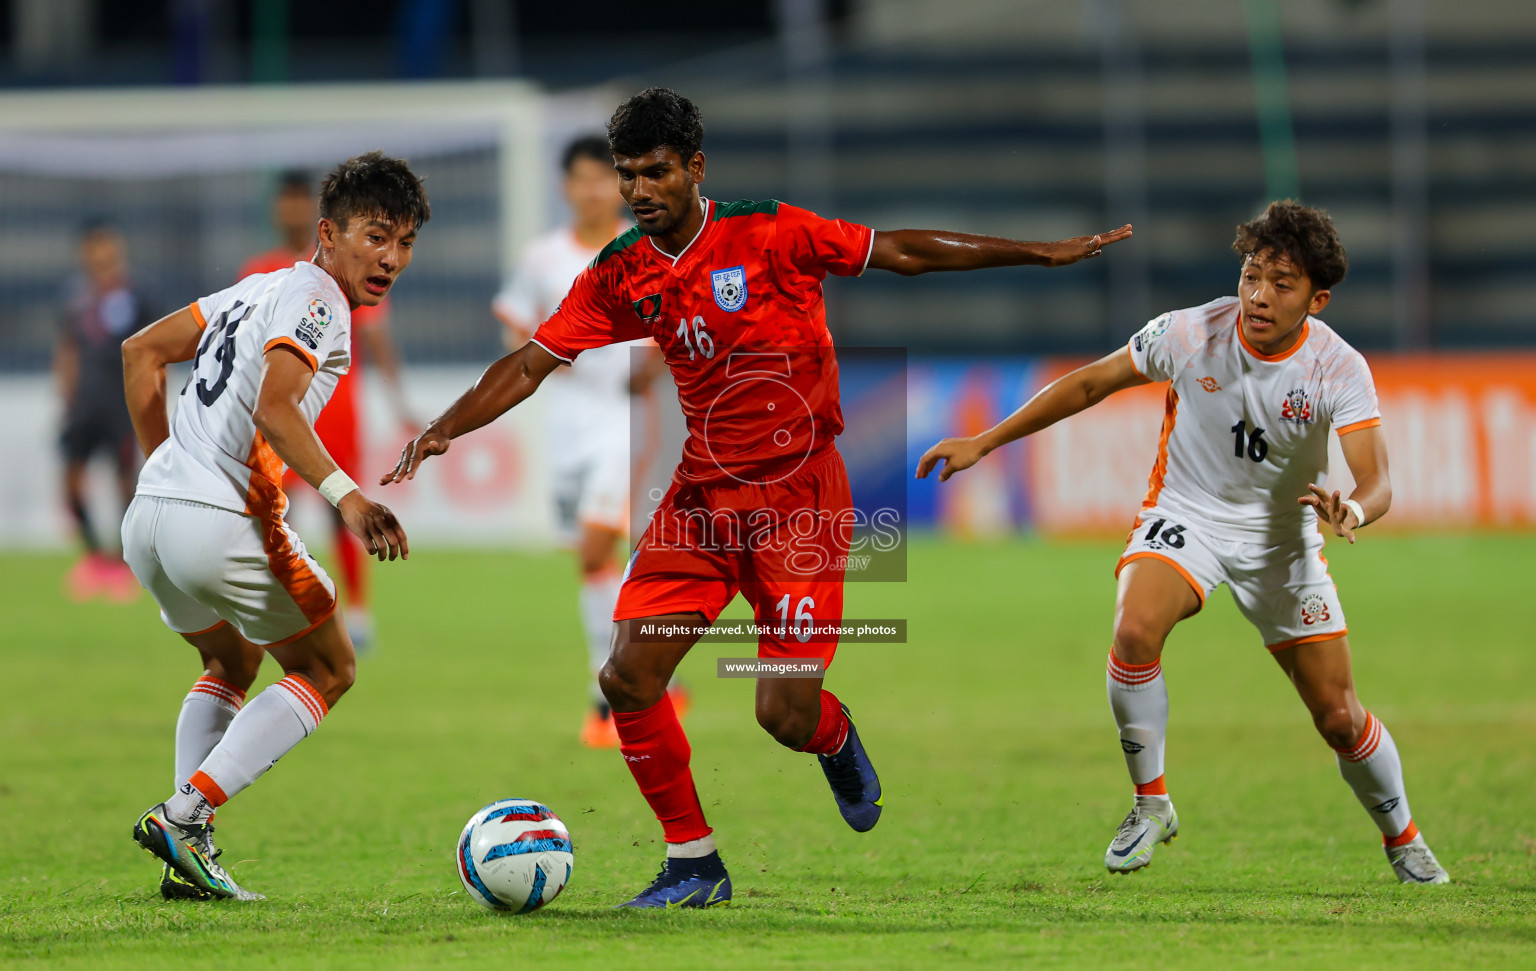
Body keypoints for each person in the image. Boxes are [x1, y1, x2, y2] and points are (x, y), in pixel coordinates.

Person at [384, 87, 1130, 908]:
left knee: (781, 713)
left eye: (655, 173)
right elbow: (531, 362)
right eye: (629, 175)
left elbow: (903, 251)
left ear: (695, 168)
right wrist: (444, 427)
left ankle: (834, 737)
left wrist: (1037, 254)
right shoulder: (622, 272)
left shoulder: (771, 230)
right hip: (701, 502)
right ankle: (694, 863)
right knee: (629, 678)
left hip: (801, 503)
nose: (639, 191)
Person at [917, 199, 1449, 885]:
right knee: (1134, 629)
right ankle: (1151, 803)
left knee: (1340, 717)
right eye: (1252, 275)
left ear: (1317, 299)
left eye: (1281, 284)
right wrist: (984, 440)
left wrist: (1353, 509)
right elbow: (1089, 384)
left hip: (1280, 542)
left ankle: (1402, 837)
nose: (1258, 296)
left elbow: (1378, 482)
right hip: (1187, 514)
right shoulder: (1191, 331)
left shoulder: (1338, 369)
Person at [121, 152, 426, 900]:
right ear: (328, 232)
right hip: (222, 521)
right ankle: (185, 813)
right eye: (376, 236)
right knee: (330, 668)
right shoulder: (317, 300)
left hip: (149, 519)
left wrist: (167, 465)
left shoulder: (256, 288)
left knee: (229, 664)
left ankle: (186, 856)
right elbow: (276, 407)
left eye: (406, 241)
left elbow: (141, 353)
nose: (391, 258)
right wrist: (348, 496)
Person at [492, 135, 681, 749]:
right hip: (565, 422)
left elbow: (678, 317)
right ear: (565, 187)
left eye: (607, 179)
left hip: (623, 417)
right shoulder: (543, 256)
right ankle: (649, 670)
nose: (594, 190)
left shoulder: (648, 248)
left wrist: (657, 355)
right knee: (598, 560)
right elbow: (515, 321)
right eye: (583, 179)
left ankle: (610, 692)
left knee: (596, 549)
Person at [240, 170, 417, 653]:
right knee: (276, 511)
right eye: (287, 202)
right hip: (284, 406)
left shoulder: (348, 265)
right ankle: (290, 605)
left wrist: (399, 402)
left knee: (343, 509)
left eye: (300, 202)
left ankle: (358, 613)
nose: (292, 211)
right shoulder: (259, 270)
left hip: (337, 409)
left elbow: (377, 337)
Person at [55, 220, 157, 602]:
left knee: (124, 483)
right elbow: (67, 349)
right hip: (83, 404)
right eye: (94, 245)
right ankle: (94, 557)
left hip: (122, 402)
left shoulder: (136, 294)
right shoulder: (76, 297)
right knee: (71, 483)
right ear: (85, 251)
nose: (101, 252)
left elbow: (155, 348)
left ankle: (122, 563)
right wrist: (65, 396)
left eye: (107, 244)